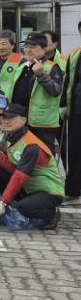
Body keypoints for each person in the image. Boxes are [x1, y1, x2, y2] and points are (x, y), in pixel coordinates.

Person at [0, 103, 64, 230]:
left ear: (24, 120)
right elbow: (13, 167)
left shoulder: (31, 145)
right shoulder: (14, 137)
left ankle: (51, 214)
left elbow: (19, 176)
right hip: (31, 187)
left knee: (24, 207)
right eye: (4, 117)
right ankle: (19, 202)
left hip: (49, 191)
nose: (6, 121)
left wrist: (4, 202)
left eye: (11, 117)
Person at [8, 32, 63, 152]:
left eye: (32, 47)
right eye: (26, 46)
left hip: (41, 124)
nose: (28, 50)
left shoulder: (52, 67)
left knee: (43, 155)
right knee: (21, 155)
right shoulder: (22, 66)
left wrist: (41, 75)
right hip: (20, 121)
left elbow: (56, 91)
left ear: (44, 49)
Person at [61, 22, 81, 203]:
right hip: (76, 110)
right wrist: (64, 106)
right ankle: (74, 190)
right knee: (74, 151)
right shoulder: (74, 54)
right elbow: (67, 82)